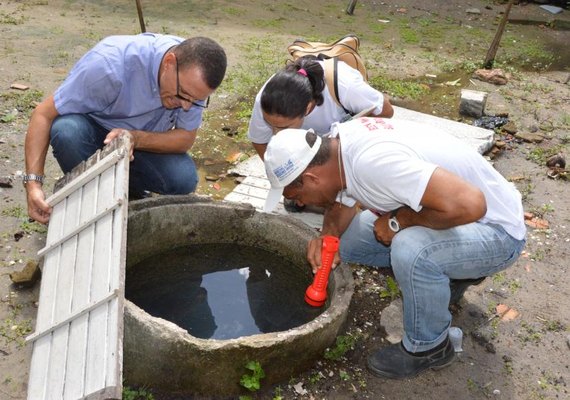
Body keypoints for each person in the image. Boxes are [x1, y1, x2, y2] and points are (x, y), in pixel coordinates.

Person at [262, 117, 526, 379]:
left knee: (410, 248)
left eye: (295, 196)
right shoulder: (337, 150)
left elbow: (472, 204)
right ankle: (452, 272)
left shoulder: (374, 164)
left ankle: (430, 347)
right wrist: (328, 237)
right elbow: (341, 198)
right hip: (452, 215)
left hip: (496, 232)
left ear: (310, 177)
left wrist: (399, 221)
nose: (297, 203)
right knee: (349, 241)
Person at [24, 33, 227, 224]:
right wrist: (33, 184)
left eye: (196, 100)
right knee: (66, 131)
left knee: (183, 178)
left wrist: (135, 138)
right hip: (93, 132)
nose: (186, 106)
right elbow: (43, 114)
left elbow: (185, 138)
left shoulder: (192, 78)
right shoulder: (108, 65)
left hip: (138, 143)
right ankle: (93, 195)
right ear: (169, 63)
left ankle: (127, 191)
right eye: (182, 94)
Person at [247, 55, 394, 160]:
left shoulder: (346, 86)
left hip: (347, 141)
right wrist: (282, 177)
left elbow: (386, 111)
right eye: (270, 124)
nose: (276, 133)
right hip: (310, 142)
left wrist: (344, 137)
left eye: (284, 127)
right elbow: (260, 140)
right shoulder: (265, 98)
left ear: (307, 108)